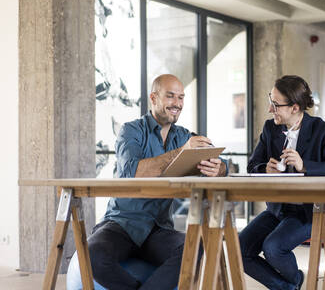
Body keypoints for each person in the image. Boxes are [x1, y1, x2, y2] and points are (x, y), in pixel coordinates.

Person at [88, 74, 227, 290]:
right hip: (121, 224)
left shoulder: (183, 136)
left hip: (159, 229)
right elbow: (134, 171)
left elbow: (219, 161)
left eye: (181, 97)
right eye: (170, 96)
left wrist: (219, 168)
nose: (177, 104)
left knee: (196, 248)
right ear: (153, 97)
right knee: (92, 255)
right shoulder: (130, 131)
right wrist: (182, 152)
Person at [239, 75, 325, 290]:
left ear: (295, 107)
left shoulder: (321, 129)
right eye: (270, 101)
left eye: (275, 104)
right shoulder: (270, 129)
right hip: (278, 209)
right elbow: (253, 165)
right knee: (239, 248)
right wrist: (265, 169)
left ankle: (289, 284)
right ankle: (291, 285)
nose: (270, 109)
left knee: (273, 247)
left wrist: (304, 165)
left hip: (309, 211)